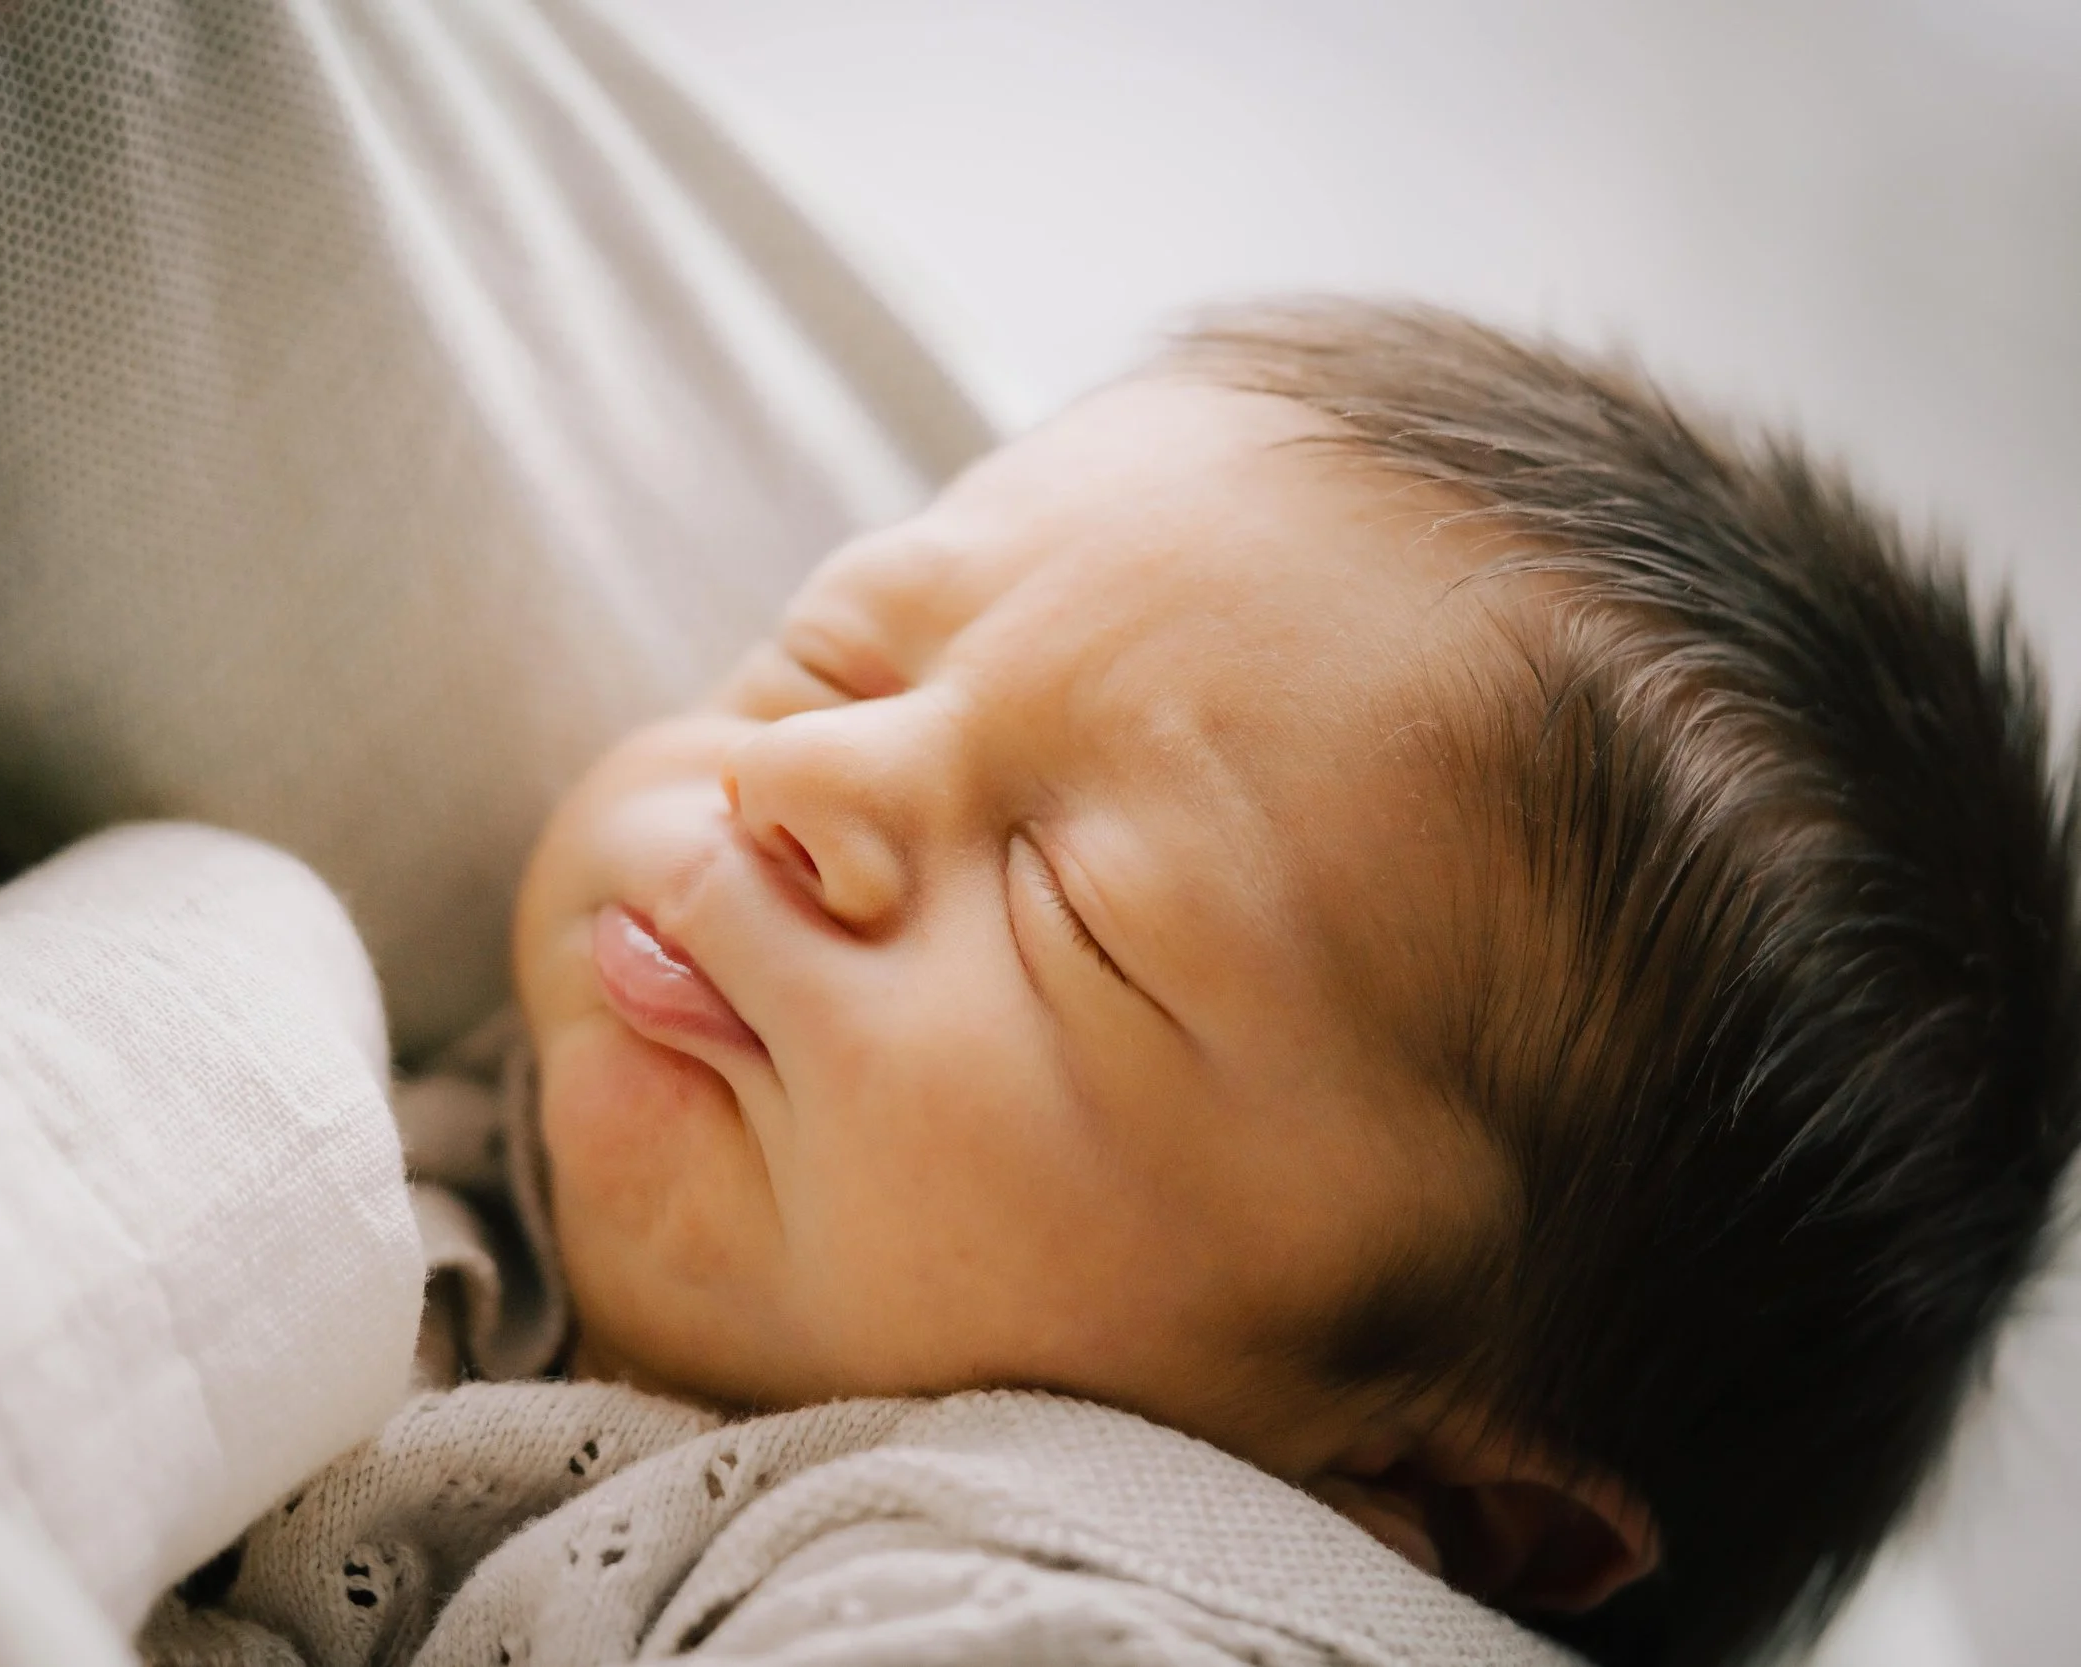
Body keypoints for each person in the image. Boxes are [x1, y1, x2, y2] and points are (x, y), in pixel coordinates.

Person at [185, 301, 2074, 1667]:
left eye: (1078, 915)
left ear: (1438, 1496)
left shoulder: (1051, 1597)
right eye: (837, 658)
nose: (798, 791)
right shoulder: (524, 1160)